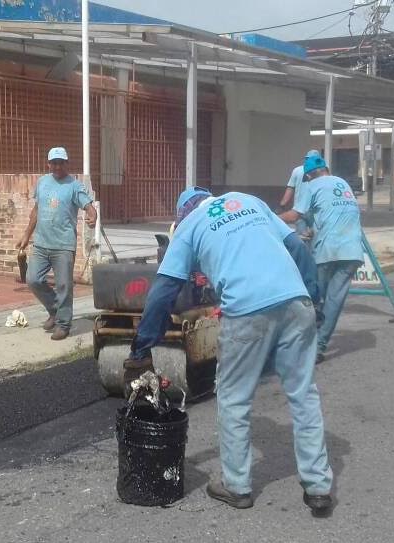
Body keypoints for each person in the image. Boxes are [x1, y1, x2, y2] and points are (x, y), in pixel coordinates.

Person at [124, 188, 334, 515]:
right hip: (296, 301)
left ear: (183, 214)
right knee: (303, 394)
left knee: (234, 398)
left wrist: (140, 348)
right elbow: (297, 248)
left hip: (248, 309)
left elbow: (163, 291)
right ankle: (318, 486)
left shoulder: (190, 226)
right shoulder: (247, 201)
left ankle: (236, 486)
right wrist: (313, 297)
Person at [279, 155, 363, 363]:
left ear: (308, 175)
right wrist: (312, 224)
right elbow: (330, 210)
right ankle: (319, 347)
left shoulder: (312, 185)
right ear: (326, 168)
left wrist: (269, 217)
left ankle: (298, 345)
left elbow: (295, 215)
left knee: (312, 298)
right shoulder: (342, 183)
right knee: (334, 301)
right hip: (352, 251)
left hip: (328, 249)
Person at [16, 147, 96, 340]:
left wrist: (92, 216)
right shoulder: (42, 182)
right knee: (33, 279)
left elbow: (89, 207)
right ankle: (55, 310)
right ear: (49, 164)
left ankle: (63, 324)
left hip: (63, 245)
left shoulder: (74, 186)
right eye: (54, 163)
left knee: (64, 286)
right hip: (42, 243)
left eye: (61, 162)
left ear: (67, 163)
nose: (57, 166)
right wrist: (26, 235)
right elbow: (36, 210)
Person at [278, 149, 322, 244]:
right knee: (316, 240)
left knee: (302, 241)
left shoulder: (297, 170)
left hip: (299, 213)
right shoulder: (323, 172)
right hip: (316, 213)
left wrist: (282, 205)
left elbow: (290, 189)